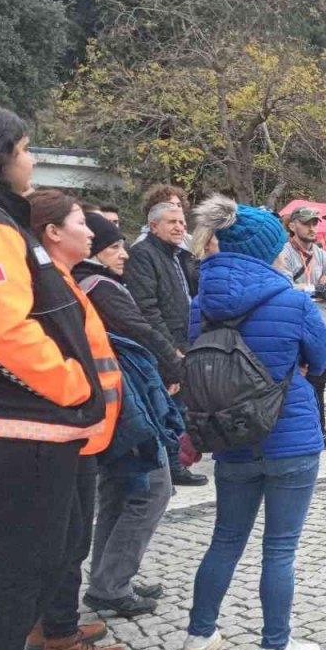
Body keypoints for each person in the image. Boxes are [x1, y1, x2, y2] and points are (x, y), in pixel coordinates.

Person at [0, 101, 115, 650]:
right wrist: (72, 386)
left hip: (13, 432)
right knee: (10, 569)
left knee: (12, 566)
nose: (30, 160)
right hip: (13, 434)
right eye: (25, 149)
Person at [179, 196, 326, 650]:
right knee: (280, 548)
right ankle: (274, 649)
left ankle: (199, 638)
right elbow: (323, 355)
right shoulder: (291, 299)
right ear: (270, 249)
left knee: (225, 538)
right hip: (287, 434)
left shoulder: (200, 304)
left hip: (230, 438)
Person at [24, 192, 127, 650]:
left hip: (83, 431)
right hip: (69, 431)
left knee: (68, 535)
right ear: (53, 233)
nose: (93, 232)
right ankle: (59, 638)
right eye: (81, 224)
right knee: (65, 539)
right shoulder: (50, 286)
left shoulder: (61, 280)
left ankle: (50, 623)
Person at [73, 211, 181, 616]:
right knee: (153, 489)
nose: (124, 255)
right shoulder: (101, 287)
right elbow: (141, 330)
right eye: (114, 247)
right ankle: (111, 584)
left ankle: (108, 578)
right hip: (126, 405)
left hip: (114, 403)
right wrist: (174, 364)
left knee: (121, 491)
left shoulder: (87, 282)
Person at [126, 191, 206, 486]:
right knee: (168, 409)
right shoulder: (144, 256)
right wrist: (169, 349)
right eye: (171, 221)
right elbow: (147, 309)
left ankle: (178, 463)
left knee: (181, 407)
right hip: (163, 346)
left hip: (182, 342)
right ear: (154, 225)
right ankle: (171, 467)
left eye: (182, 222)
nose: (179, 227)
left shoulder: (176, 256)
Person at [278, 207, 326, 447]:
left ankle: (320, 431)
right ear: (293, 225)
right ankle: (293, 433)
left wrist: (305, 287)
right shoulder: (283, 252)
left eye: (315, 223)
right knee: (294, 381)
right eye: (307, 223)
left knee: (318, 382)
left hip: (320, 328)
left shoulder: (323, 254)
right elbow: (284, 285)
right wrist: (316, 288)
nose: (312, 228)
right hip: (294, 326)